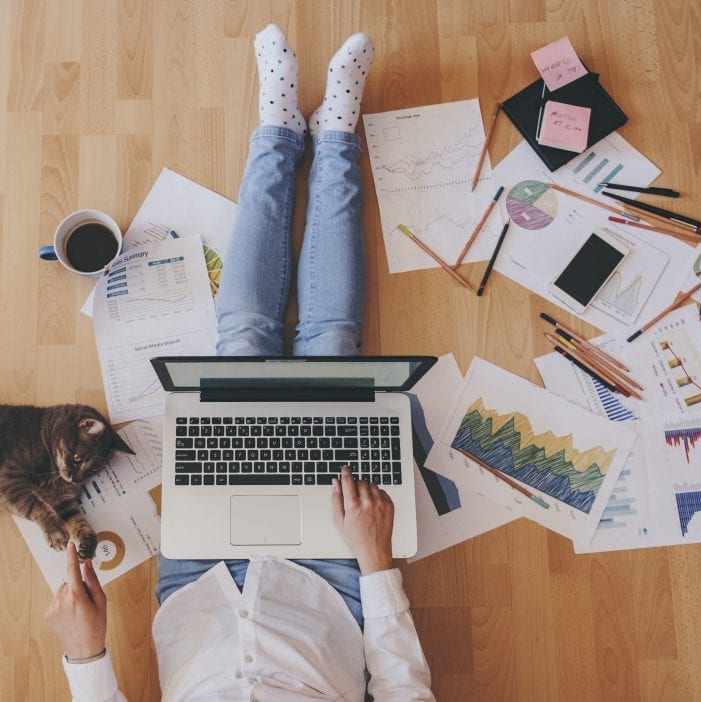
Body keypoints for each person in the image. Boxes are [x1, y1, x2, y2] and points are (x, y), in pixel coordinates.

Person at [45, 24, 434, 701]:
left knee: (246, 342)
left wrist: (87, 658)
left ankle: (279, 129)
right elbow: (404, 690)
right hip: (330, 582)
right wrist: (375, 566)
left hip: (200, 583)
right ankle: (338, 135)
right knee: (330, 345)